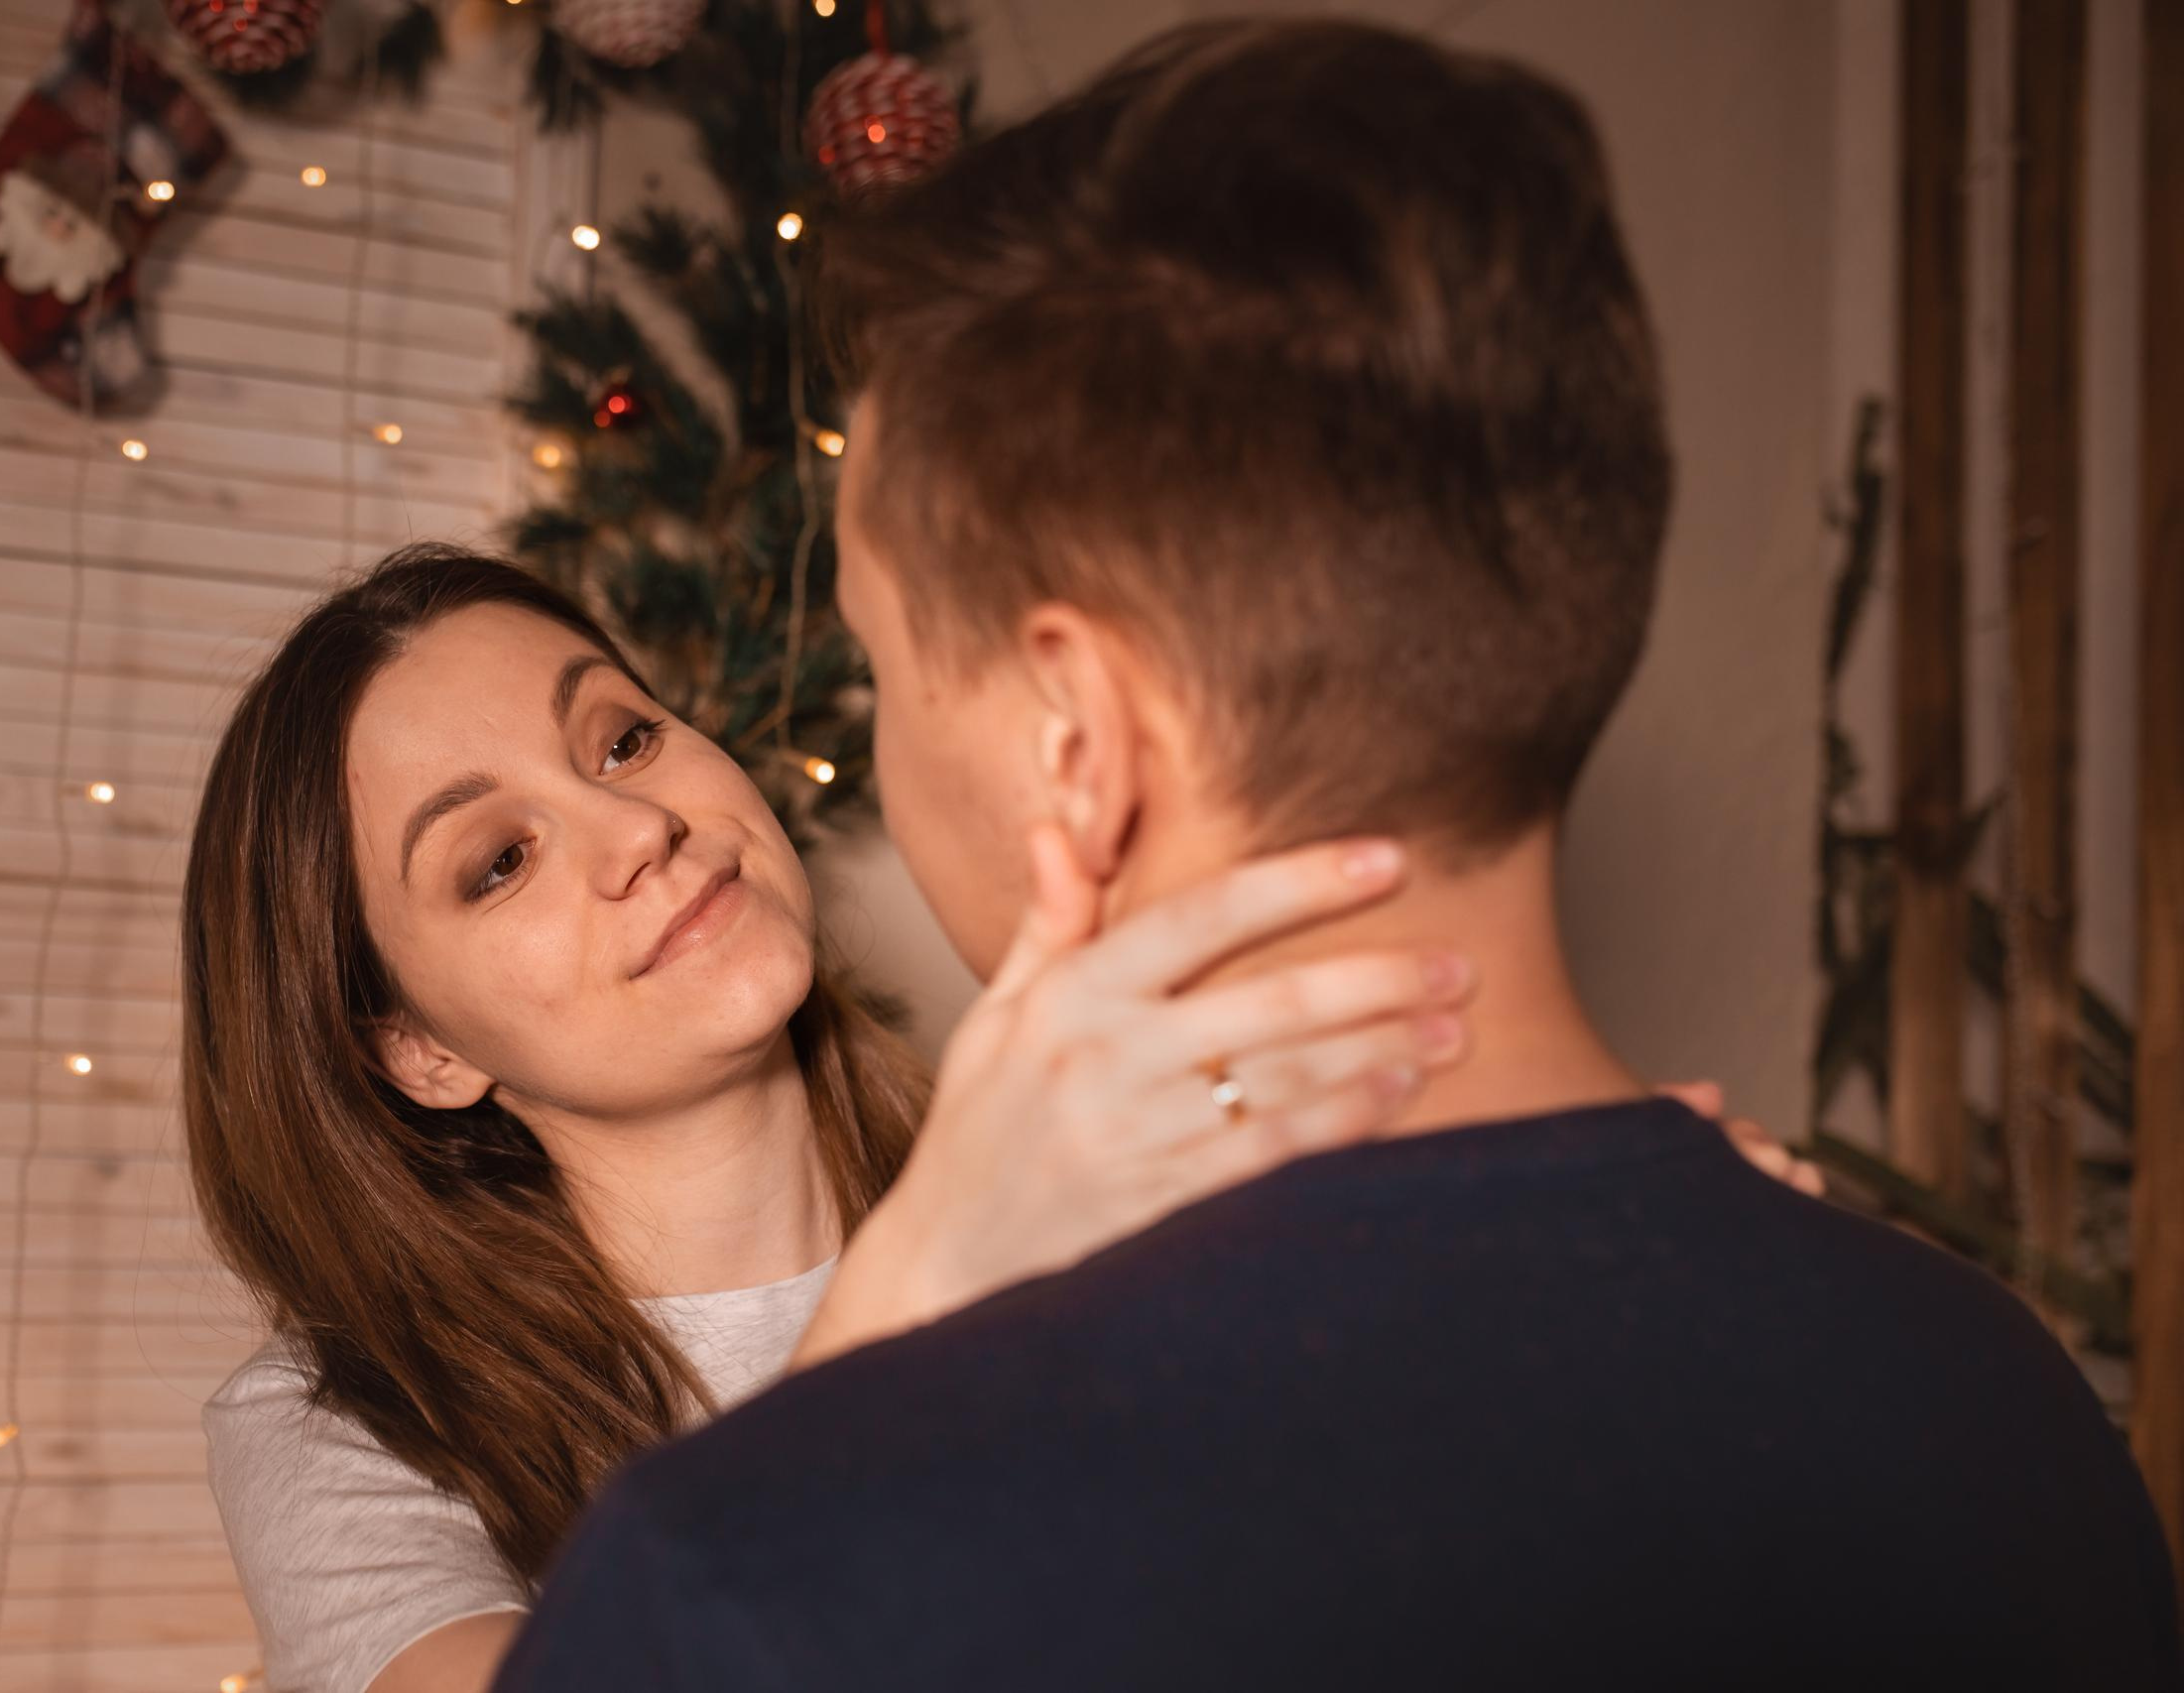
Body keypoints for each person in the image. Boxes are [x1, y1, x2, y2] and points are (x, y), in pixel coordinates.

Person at [490, 18, 2182, 1690]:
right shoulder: (1994, 1393)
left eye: (886, 664)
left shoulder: (763, 1580)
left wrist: (845, 1391)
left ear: (1075, 740)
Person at [189, 546, 1545, 1693]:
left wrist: (1613, 1242)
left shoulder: (1114, 1226)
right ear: (419, 1053)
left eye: (623, 736)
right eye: (499, 860)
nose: (635, 828)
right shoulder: (340, 1426)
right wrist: (922, 1294)